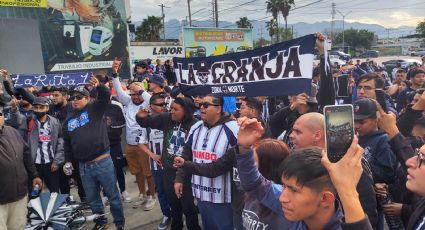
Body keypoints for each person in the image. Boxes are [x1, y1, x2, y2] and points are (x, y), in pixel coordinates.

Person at [235, 117, 372, 230]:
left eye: (294, 190)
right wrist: (245, 148)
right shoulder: (292, 205)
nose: (282, 198)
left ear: (325, 199)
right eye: (284, 186)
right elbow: (254, 184)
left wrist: (347, 191)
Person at [288, 112, 379, 228]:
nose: (291, 135)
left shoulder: (350, 164)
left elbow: (368, 214)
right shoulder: (300, 161)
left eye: (298, 131)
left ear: (317, 135)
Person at [62, 77, 125, 230]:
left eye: (78, 97)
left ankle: (119, 224)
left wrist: (100, 85)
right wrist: (68, 161)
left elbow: (105, 95)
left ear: (87, 98)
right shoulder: (67, 121)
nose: (75, 100)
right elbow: (67, 144)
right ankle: (101, 223)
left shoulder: (95, 108)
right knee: (93, 199)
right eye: (72, 98)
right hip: (83, 167)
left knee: (113, 197)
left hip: (103, 163)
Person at [175, 95, 239, 230]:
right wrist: (179, 178)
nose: (201, 108)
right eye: (200, 105)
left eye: (206, 105)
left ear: (218, 108)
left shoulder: (233, 128)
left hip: (224, 198)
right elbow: (187, 154)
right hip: (201, 194)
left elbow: (220, 167)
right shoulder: (196, 127)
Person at [136, 97, 201, 230]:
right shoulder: (166, 119)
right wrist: (140, 116)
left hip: (186, 175)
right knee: (174, 206)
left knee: (189, 208)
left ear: (186, 111)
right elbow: (146, 122)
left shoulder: (196, 125)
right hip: (168, 172)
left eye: (175, 109)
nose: (171, 111)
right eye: (171, 108)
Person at [111, 60, 156, 210]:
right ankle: (142, 195)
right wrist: (115, 73)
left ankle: (152, 196)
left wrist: (142, 90)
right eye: (133, 94)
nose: (135, 96)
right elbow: (118, 90)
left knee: (148, 172)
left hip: (144, 144)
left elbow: (152, 99)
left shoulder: (147, 103)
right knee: (137, 172)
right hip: (130, 145)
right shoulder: (129, 101)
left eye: (138, 94)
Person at [0, 98, 43, 230]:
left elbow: (26, 155)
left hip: (19, 196)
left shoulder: (12, 132)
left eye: (0, 113)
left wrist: (34, 175)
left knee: (18, 227)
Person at [137, 93, 172, 230]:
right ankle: (166, 215)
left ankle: (179, 212)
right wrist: (153, 155)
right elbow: (140, 143)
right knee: (162, 191)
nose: (163, 107)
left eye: (164, 104)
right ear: (151, 106)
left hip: (174, 163)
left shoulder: (171, 118)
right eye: (160, 105)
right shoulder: (146, 122)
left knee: (176, 190)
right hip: (156, 164)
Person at [27, 96, 65, 193]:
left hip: (51, 164)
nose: (38, 110)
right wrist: (14, 110)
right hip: (35, 165)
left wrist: (57, 161)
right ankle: (34, 208)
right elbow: (16, 120)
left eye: (41, 107)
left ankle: (53, 208)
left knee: (54, 193)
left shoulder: (55, 122)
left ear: (47, 108)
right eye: (36, 107)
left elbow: (61, 142)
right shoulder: (29, 121)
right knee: (34, 193)